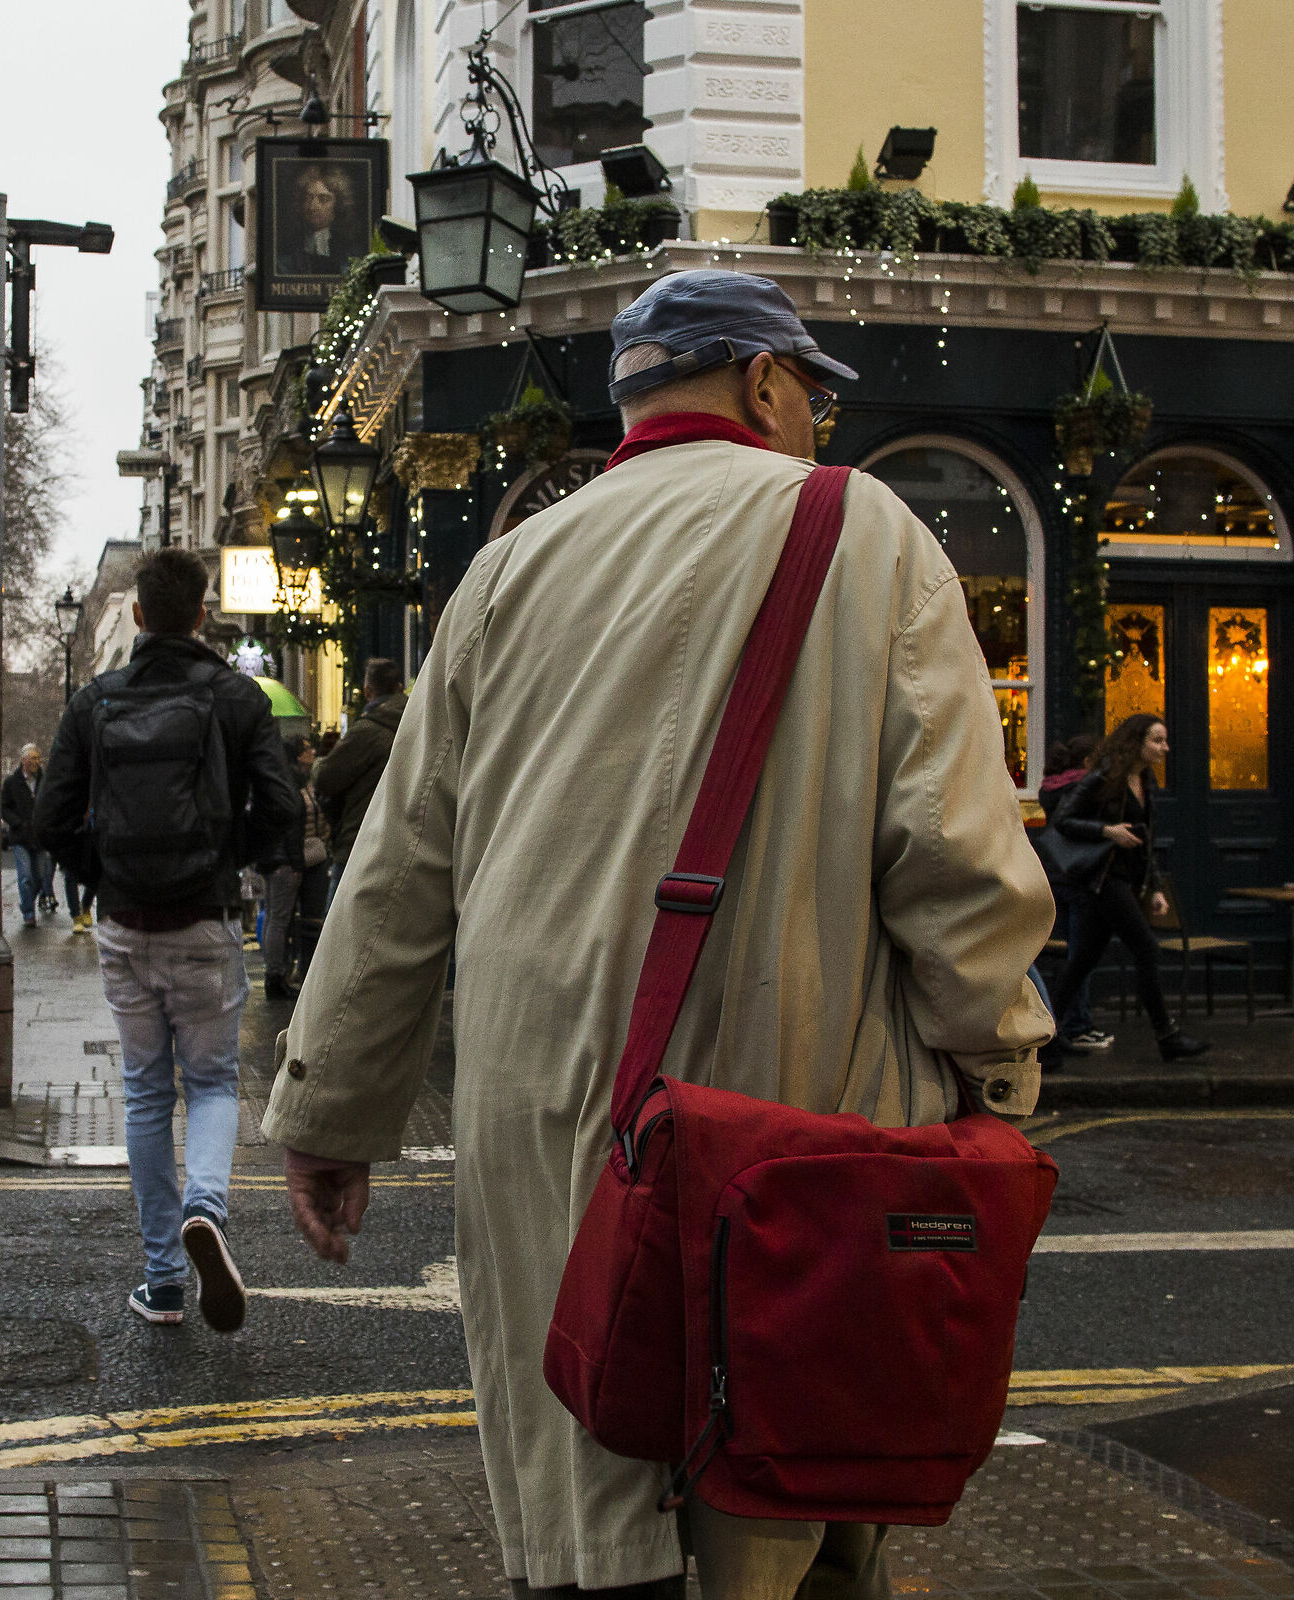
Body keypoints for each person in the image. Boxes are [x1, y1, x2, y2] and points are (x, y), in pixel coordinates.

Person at [262, 269, 1055, 1600]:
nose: (820, 426)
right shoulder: (863, 533)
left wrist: (333, 1111)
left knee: (588, 1489)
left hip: (547, 1115)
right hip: (794, 1104)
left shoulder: (502, 575)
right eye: (812, 394)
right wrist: (1000, 1072)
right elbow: (958, 859)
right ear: (761, 381)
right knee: (778, 1481)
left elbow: (398, 871)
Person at [37, 547, 301, 1332]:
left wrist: (105, 874)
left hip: (124, 925)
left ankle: (161, 1281)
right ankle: (208, 1211)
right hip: (203, 921)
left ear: (141, 617)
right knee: (214, 1084)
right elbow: (284, 811)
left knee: (148, 1092)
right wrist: (227, 860)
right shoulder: (236, 697)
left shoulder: (95, 702)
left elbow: (49, 818)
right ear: (203, 613)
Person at [1043, 715, 1209, 1063]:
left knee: (1082, 961)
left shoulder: (1146, 782)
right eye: (1157, 740)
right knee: (1146, 947)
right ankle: (1167, 1037)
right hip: (1102, 881)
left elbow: (1147, 840)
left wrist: (1155, 887)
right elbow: (1063, 820)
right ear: (1137, 742)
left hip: (1120, 881)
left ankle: (1044, 1038)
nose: (1165, 748)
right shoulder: (1104, 778)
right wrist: (1107, 831)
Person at [1032, 734, 1107, 1051]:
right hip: (1080, 876)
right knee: (1080, 953)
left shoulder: (1051, 788)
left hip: (1053, 875)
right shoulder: (1086, 789)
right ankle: (1077, 1025)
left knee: (1061, 953)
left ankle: (1056, 1021)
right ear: (1089, 762)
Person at [312, 658, 406, 891]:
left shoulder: (367, 731)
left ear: (367, 691)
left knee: (339, 924)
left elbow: (325, 777)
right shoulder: (416, 722)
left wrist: (318, 762)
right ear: (400, 687)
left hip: (360, 842)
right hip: (405, 843)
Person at [262, 735, 331, 1000]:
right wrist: (294, 859)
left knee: (278, 919)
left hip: (291, 857)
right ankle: (275, 976)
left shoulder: (294, 778)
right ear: (296, 754)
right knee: (278, 919)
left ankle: (281, 973)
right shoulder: (288, 781)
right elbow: (289, 825)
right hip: (286, 860)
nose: (313, 751)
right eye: (307, 748)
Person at [2, 745, 53, 931]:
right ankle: (29, 914)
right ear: (23, 760)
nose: (36, 762)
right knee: (25, 877)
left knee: (40, 877)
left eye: (38, 758)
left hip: (39, 836)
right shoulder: (11, 783)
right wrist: (17, 822)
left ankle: (26, 903)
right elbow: (4, 807)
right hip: (20, 836)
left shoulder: (44, 781)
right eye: (32, 758)